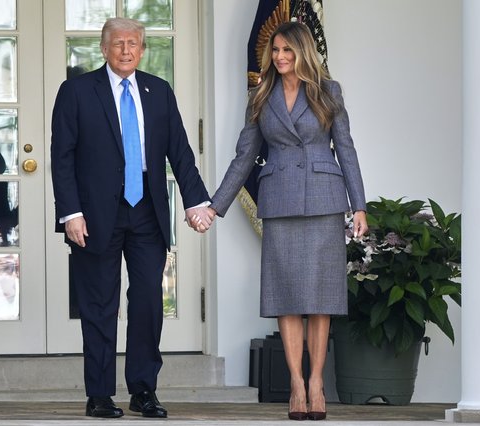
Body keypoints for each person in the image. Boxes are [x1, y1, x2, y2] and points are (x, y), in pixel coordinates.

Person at [50, 17, 213, 419]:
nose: (126, 50)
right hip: (93, 215)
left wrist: (196, 202)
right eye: (118, 43)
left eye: (134, 44)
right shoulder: (76, 91)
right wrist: (70, 212)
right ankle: (100, 395)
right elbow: (62, 157)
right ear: (104, 49)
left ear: (142, 50)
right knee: (99, 306)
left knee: (146, 304)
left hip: (147, 212)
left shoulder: (158, 91)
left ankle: (143, 391)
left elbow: (180, 151)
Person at [206, 21, 368, 421]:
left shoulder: (328, 91)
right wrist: (215, 205)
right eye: (275, 50)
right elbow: (244, 156)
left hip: (325, 202)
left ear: (303, 52)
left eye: (287, 51)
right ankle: (295, 383)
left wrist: (359, 206)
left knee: (322, 298)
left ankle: (317, 383)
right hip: (280, 201)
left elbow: (345, 148)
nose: (279, 57)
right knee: (287, 296)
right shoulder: (261, 95)